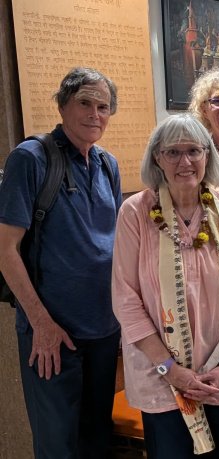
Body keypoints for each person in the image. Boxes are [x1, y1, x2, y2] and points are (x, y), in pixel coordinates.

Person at [111, 114, 219, 458]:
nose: (185, 162)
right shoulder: (135, 213)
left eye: (193, 151)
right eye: (173, 152)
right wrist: (170, 369)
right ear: (157, 158)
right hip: (161, 377)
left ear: (207, 155)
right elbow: (125, 299)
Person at [0, 67, 121, 458]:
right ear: (63, 105)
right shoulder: (31, 158)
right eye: (84, 103)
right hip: (52, 335)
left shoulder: (107, 164)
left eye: (103, 107)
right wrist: (41, 323)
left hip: (103, 332)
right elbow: (5, 249)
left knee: (96, 441)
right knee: (58, 447)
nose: (94, 114)